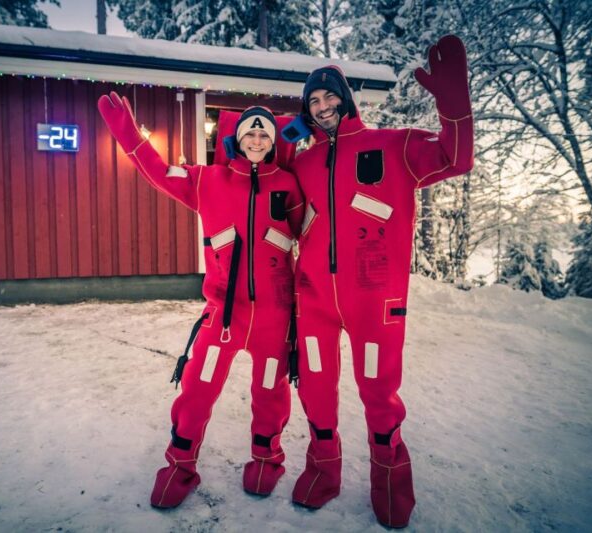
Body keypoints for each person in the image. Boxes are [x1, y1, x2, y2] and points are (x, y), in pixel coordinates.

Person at [281, 35, 474, 527]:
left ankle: (391, 487)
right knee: (317, 392)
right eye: (313, 102)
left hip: (375, 303)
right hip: (316, 300)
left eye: (329, 97)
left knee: (379, 397)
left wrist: (453, 105)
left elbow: (456, 159)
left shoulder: (395, 145)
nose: (322, 107)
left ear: (346, 99)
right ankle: (323, 474)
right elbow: (268, 172)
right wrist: (288, 130)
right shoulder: (302, 160)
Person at [97, 94, 304, 508]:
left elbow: (311, 236)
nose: (258, 137)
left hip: (274, 317)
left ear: (273, 138)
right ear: (238, 140)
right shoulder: (208, 180)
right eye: (251, 131)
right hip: (224, 316)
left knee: (271, 392)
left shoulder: (289, 183)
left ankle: (266, 460)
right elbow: (158, 171)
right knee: (196, 389)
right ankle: (180, 466)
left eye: (265, 131)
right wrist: (127, 133)